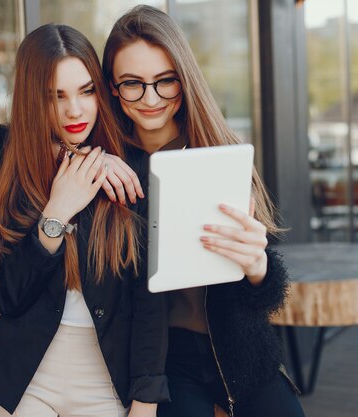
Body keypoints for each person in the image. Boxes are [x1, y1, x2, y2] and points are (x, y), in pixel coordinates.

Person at [0, 24, 168, 417]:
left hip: (106, 381)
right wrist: (56, 212)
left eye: (86, 91)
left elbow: (150, 301)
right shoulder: (6, 171)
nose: (74, 110)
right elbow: (4, 296)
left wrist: (145, 401)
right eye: (55, 96)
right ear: (33, 101)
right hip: (23, 381)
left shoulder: (130, 173)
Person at [101, 6, 306, 417]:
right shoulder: (107, 165)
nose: (151, 98)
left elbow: (265, 293)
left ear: (184, 78)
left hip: (240, 348)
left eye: (165, 82)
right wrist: (81, 156)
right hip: (160, 361)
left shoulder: (218, 151)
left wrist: (257, 265)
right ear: (112, 87)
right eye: (133, 84)